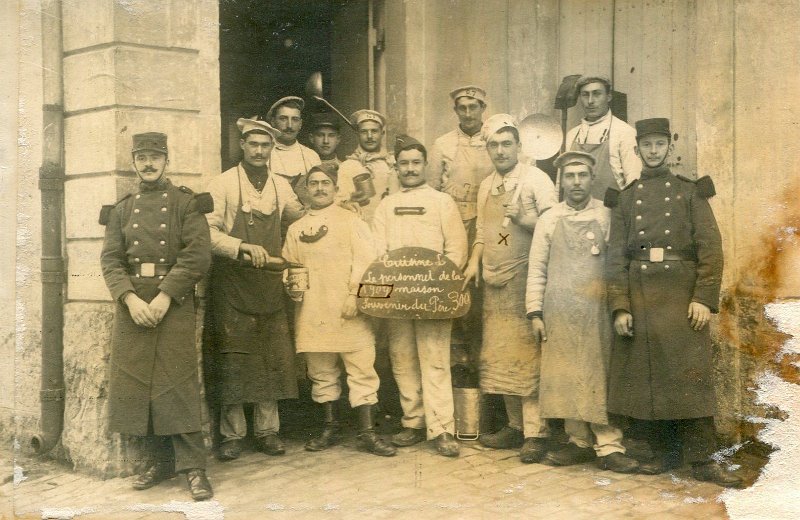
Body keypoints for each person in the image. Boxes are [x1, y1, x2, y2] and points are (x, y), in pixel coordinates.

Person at [605, 118, 742, 487]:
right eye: (646, 145)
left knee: (687, 372)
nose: (653, 151)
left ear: (670, 146)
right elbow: (615, 257)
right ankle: (663, 453)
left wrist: (703, 299)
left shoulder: (690, 192)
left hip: (681, 294)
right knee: (650, 374)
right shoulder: (627, 197)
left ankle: (701, 459)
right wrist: (620, 305)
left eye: (659, 144)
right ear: (637, 149)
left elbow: (711, 250)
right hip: (640, 294)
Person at [100, 132, 213, 501]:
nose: (149, 163)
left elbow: (198, 254)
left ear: (167, 160)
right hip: (133, 305)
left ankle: (194, 469)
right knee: (137, 384)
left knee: (176, 382)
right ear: (134, 162)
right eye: (142, 157)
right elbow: (110, 260)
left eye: (155, 157)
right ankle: (157, 461)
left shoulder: (185, 203)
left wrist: (166, 296)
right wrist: (129, 299)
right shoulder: (121, 209)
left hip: (173, 302)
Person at [525, 150, 639, 474]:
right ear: (561, 182)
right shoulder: (548, 219)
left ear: (591, 178)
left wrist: (620, 307)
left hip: (596, 311)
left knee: (597, 373)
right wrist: (535, 312)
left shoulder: (606, 215)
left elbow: (618, 265)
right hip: (559, 310)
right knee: (565, 374)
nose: (576, 182)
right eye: (570, 177)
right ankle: (578, 442)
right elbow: (537, 269)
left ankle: (609, 445)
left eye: (582, 175)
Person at [281, 164, 396, 457]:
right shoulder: (296, 229)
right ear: (306, 189)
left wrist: (354, 296)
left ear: (335, 188)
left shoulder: (351, 221)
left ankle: (367, 432)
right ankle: (329, 427)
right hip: (313, 309)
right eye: (314, 183)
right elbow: (291, 266)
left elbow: (367, 261)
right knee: (321, 371)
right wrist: (291, 285)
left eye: (325, 183)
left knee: (361, 368)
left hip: (348, 309)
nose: (319, 188)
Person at [206, 118, 303, 461]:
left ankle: (268, 432)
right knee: (234, 357)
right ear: (243, 146)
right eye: (254, 145)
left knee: (270, 357)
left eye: (266, 146)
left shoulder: (280, 186)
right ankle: (232, 434)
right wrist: (241, 247)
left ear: (272, 150)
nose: (260, 151)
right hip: (232, 283)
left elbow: (300, 219)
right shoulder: (223, 184)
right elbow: (208, 231)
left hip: (269, 285)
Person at [463, 114, 557, 463]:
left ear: (519, 146)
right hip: (493, 281)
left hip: (525, 279)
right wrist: (474, 260)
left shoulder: (537, 179)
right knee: (500, 355)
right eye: (494, 145)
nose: (500, 150)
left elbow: (554, 228)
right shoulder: (487, 185)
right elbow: (483, 234)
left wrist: (524, 220)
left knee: (526, 355)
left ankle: (536, 432)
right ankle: (515, 427)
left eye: (506, 143)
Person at [372, 135, 468, 457]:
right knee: (402, 358)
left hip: (433, 295)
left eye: (416, 163)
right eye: (404, 164)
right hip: (399, 298)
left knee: (436, 360)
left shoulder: (442, 202)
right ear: (396, 167)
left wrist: (438, 284)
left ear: (425, 165)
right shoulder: (386, 206)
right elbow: (377, 250)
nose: (410, 169)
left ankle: (442, 429)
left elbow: (456, 247)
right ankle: (413, 421)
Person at [427, 85, 495, 377]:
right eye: (462, 108)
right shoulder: (442, 144)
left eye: (473, 107)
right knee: (453, 292)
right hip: (453, 225)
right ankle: (457, 366)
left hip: (490, 227)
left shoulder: (495, 141)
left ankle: (485, 370)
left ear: (482, 109)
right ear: (455, 111)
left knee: (483, 299)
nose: (468, 113)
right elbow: (431, 191)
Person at [562, 76, 640, 200]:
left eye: (597, 94)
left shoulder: (625, 132)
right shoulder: (572, 135)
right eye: (585, 95)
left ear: (608, 97)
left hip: (611, 214)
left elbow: (633, 181)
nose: (590, 101)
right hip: (575, 216)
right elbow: (561, 182)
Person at [337, 109, 400, 224]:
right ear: (357, 134)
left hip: (389, 227)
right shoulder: (348, 166)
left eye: (374, 131)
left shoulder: (393, 163)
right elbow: (338, 202)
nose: (369, 136)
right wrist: (346, 203)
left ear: (382, 133)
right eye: (364, 132)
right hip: (360, 229)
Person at [268, 96, 322, 195]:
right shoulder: (264, 154)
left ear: (300, 124)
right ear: (273, 122)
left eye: (295, 119)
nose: (289, 125)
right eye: (283, 118)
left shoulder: (311, 156)